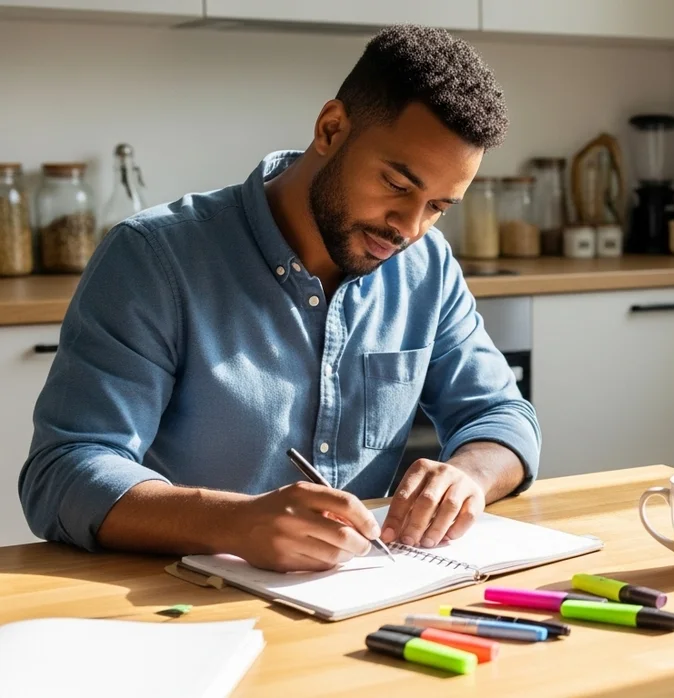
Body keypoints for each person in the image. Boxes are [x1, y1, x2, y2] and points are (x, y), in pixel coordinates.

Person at [19, 25, 537, 573]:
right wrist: (235, 524)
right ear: (331, 128)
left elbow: (502, 415)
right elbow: (63, 472)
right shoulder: (152, 259)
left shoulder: (424, 265)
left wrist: (467, 478)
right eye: (397, 184)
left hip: (360, 602)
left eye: (437, 206)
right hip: (181, 608)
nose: (409, 227)